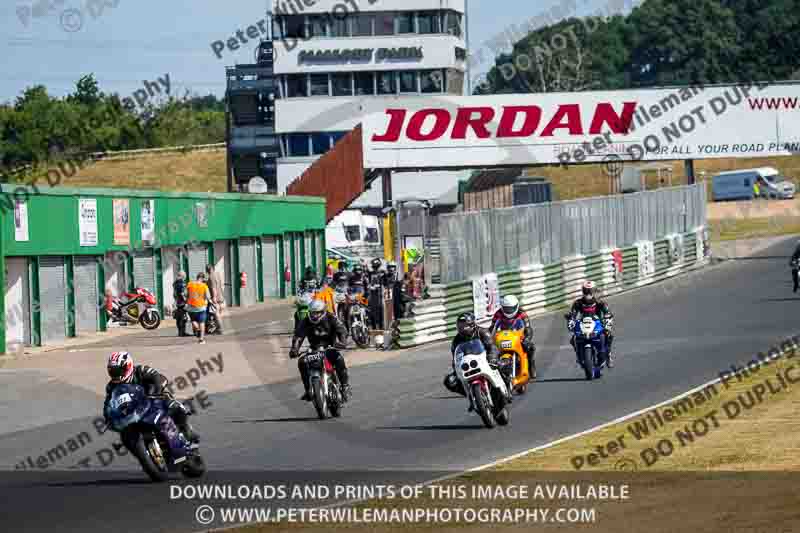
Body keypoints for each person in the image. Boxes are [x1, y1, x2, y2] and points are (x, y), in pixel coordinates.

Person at [103, 351, 199, 444]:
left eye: (118, 371)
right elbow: (108, 404)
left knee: (173, 406)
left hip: (154, 399)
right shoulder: (111, 386)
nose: (116, 374)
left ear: (128, 366)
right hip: (134, 410)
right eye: (113, 371)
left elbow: (157, 377)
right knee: (127, 432)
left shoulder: (140, 370)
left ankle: (185, 429)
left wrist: (156, 391)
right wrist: (108, 417)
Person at [289, 299, 352, 402]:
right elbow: (298, 336)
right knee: (302, 362)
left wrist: (342, 342)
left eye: (317, 312)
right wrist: (294, 349)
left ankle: (344, 386)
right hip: (314, 349)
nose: (315, 315)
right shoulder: (305, 321)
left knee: (339, 359)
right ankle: (308, 390)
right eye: (313, 312)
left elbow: (341, 329)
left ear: (323, 311)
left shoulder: (331, 317)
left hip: (330, 347)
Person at [566, 281, 615, 368]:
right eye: (586, 291)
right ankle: (579, 355)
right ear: (583, 291)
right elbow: (572, 314)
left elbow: (608, 313)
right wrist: (570, 319)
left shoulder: (600, 303)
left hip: (598, 324)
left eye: (590, 291)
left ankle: (608, 355)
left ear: (594, 292)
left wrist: (607, 321)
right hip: (583, 324)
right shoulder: (578, 303)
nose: (588, 294)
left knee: (608, 335)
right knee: (573, 338)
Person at [490, 295, 537, 379]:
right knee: (491, 350)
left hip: (517, 335)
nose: (509, 311)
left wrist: (526, 338)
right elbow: (492, 327)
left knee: (530, 347)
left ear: (516, 306)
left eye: (511, 308)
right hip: (502, 336)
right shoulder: (498, 313)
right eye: (506, 308)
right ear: (502, 307)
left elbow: (528, 328)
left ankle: (531, 365)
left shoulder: (522, 313)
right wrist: (490, 337)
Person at [186, 272, 212, 344]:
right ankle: (201, 339)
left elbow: (186, 294)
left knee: (193, 320)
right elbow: (208, 296)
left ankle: (197, 329)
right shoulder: (204, 286)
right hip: (201, 307)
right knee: (202, 322)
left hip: (191, 306)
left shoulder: (190, 284)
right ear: (202, 278)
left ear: (197, 277)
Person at [205, 264, 225, 335]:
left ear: (208, 270)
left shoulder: (211, 277)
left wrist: (214, 297)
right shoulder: (217, 275)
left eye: (206, 270)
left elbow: (213, 288)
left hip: (216, 297)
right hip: (221, 296)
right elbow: (220, 285)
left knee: (216, 314)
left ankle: (220, 329)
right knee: (218, 314)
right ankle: (217, 328)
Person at [367, 258, 385, 329]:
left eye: (376, 266)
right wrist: (370, 287)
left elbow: (384, 283)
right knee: (372, 311)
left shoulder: (382, 273)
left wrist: (379, 286)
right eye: (374, 267)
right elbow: (367, 283)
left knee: (380, 310)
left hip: (380, 295)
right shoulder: (370, 273)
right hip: (372, 295)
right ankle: (374, 327)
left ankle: (381, 326)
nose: (375, 268)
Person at [173, 271, 189, 336]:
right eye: (184, 276)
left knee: (178, 317)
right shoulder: (182, 283)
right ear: (183, 276)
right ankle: (182, 332)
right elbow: (182, 293)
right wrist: (186, 300)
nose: (185, 277)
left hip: (177, 302)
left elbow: (174, 294)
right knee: (183, 317)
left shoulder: (175, 283)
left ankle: (180, 332)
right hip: (182, 302)